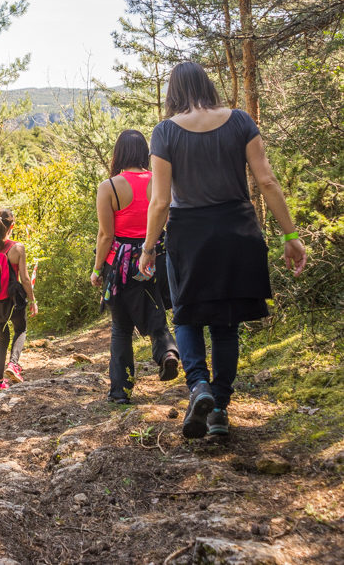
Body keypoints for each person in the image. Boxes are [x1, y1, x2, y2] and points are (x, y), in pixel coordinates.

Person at [139, 61, 307, 438]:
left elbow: (160, 202)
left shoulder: (165, 131)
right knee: (225, 325)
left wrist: (148, 248)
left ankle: (198, 385)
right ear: (207, 85)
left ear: (173, 92)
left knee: (186, 317)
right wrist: (289, 236)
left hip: (190, 236)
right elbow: (265, 179)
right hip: (237, 230)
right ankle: (219, 410)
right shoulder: (241, 121)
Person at [90, 130, 180, 404]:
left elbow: (106, 235)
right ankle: (167, 352)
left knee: (121, 327)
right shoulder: (158, 181)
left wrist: (96, 270)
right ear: (145, 152)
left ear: (118, 152)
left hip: (122, 263)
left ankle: (120, 391)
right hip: (158, 256)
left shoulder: (109, 187)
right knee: (153, 307)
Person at [0, 209, 38, 390]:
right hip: (13, 300)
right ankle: (13, 365)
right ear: (12, 226)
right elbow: (25, 279)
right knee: (21, 329)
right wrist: (32, 300)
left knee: (2, 339)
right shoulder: (17, 248)